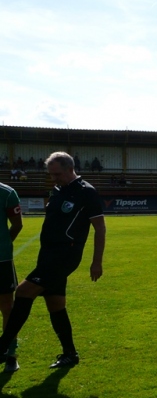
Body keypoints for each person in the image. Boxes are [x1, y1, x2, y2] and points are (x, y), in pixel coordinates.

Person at [0, 152, 106, 369]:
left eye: (57, 174)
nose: (53, 178)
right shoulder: (57, 191)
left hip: (65, 255)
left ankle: (2, 347)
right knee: (55, 304)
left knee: (22, 292)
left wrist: (97, 262)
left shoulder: (86, 192)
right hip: (47, 254)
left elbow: (100, 229)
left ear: (69, 168)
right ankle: (70, 354)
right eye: (51, 174)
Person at [1, 181, 23, 372]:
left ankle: (10, 353)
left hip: (1, 260)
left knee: (7, 307)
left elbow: (17, 225)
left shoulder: (7, 193)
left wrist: (4, 245)